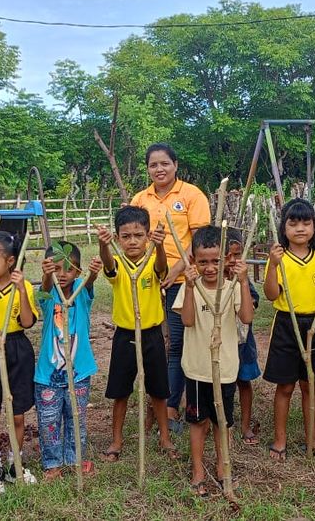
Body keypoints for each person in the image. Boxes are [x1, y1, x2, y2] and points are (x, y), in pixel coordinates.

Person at [131, 143, 211, 432]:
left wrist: (178, 267)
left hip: (182, 279)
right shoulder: (140, 199)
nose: (159, 169)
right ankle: (156, 401)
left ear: (175, 165)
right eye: (153, 165)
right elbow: (133, 237)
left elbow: (200, 239)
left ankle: (172, 406)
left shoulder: (191, 195)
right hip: (149, 278)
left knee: (178, 342)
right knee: (153, 341)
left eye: (165, 163)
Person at [263, 199, 315, 461]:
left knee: (310, 384)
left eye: (306, 222)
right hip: (286, 324)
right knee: (285, 386)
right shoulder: (278, 259)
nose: (300, 228)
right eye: (293, 223)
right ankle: (280, 439)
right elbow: (270, 294)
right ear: (284, 228)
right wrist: (274, 265)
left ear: (314, 227)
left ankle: (312, 438)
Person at [174, 226, 255, 497]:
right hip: (197, 369)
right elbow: (186, 320)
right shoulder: (191, 288)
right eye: (202, 262)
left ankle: (223, 468)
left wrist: (243, 282)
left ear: (226, 261)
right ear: (193, 262)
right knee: (197, 423)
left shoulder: (233, 288)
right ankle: (198, 470)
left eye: (216, 261)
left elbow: (246, 317)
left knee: (223, 422)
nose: (209, 268)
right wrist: (187, 287)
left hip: (226, 371)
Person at [97, 206, 179, 460]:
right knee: (120, 391)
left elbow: (162, 270)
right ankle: (116, 441)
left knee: (158, 390)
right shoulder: (118, 262)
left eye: (138, 235)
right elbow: (109, 266)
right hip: (125, 335)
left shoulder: (153, 258)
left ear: (147, 235)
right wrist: (104, 247)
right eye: (126, 236)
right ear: (117, 238)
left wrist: (161, 246)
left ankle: (164, 437)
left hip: (152, 333)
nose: (132, 241)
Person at [0, 231, 40, 491]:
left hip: (17, 348)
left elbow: (26, 322)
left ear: (10, 261)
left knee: (17, 412)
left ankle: (15, 463)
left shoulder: (22, 286)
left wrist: (22, 290)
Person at [36, 241, 103, 481]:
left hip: (80, 373)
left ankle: (74, 459)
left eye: (68, 269)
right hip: (48, 375)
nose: (61, 274)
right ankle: (52, 463)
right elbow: (44, 288)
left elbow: (91, 281)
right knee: (48, 422)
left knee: (77, 419)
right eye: (55, 268)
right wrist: (46, 276)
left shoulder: (82, 292)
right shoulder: (46, 294)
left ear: (77, 271)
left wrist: (94, 272)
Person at [225, 229, 262, 445]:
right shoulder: (211, 281)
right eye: (227, 255)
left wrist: (242, 282)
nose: (232, 260)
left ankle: (246, 425)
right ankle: (221, 423)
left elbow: (251, 307)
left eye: (237, 255)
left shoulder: (244, 282)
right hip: (221, 345)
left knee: (244, 382)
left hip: (243, 343)